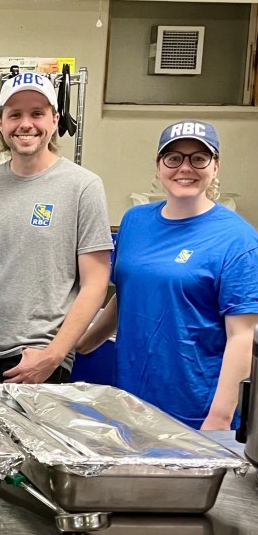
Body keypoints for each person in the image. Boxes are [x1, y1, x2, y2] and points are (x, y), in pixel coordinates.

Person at [77, 121, 258, 429]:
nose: (185, 168)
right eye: (173, 158)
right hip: (130, 400)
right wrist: (81, 343)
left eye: (198, 158)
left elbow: (242, 336)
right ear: (159, 166)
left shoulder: (238, 240)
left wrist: (219, 418)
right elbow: (128, 293)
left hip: (194, 409)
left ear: (215, 166)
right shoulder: (135, 222)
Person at [0, 72, 112, 384]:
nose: (25, 124)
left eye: (37, 114)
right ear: (0, 123)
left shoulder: (82, 187)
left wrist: (54, 355)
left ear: (54, 121)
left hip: (38, 359)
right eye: (15, 115)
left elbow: (95, 283)